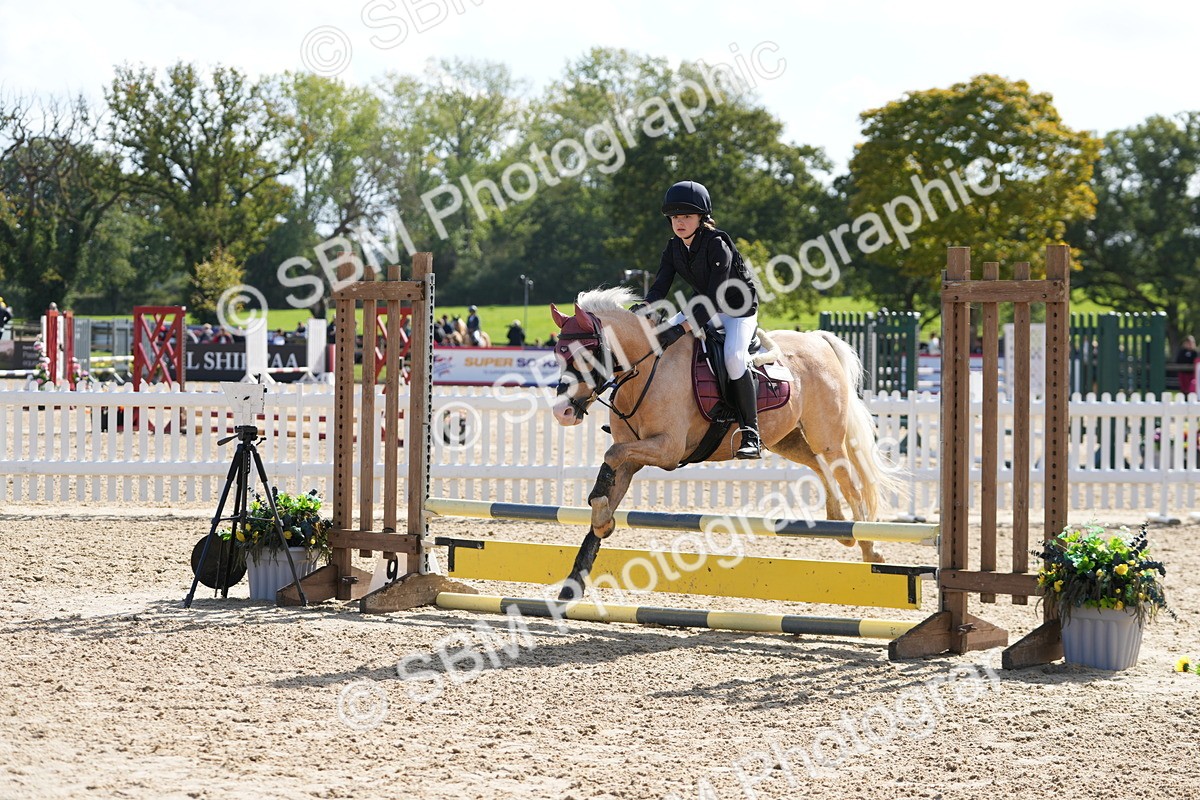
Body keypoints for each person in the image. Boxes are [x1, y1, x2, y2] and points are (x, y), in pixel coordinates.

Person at [637, 179, 761, 458]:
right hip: (704, 307)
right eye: (675, 217)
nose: (679, 223)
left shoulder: (718, 244)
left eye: (686, 217)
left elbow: (717, 298)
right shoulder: (674, 248)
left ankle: (750, 432)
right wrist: (644, 307)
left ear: (701, 218)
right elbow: (660, 286)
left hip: (737, 311)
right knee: (656, 343)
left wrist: (682, 327)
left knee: (733, 357)